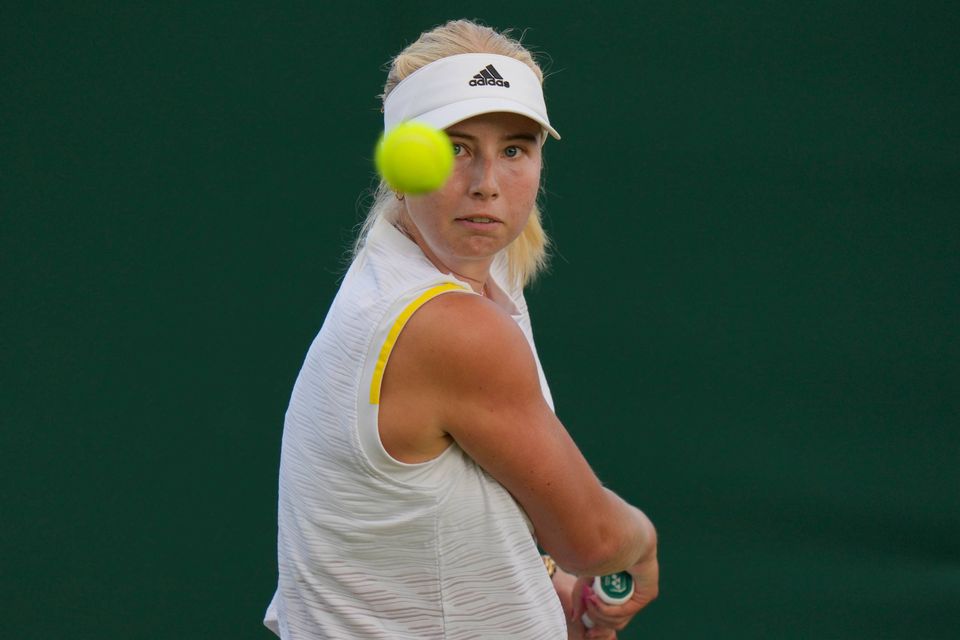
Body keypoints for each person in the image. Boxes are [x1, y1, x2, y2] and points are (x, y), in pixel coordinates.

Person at [264, 18, 658, 639]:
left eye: (514, 150)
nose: (486, 185)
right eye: (455, 149)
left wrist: (535, 582)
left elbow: (426, 514)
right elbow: (593, 540)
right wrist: (642, 542)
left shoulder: (423, 271)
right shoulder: (449, 324)